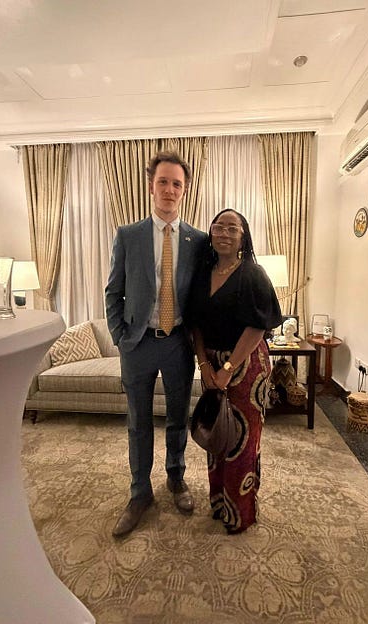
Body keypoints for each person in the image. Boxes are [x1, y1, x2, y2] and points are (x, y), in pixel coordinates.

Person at [105, 150, 207, 537]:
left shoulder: (197, 240)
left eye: (176, 183)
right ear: (151, 186)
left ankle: (176, 478)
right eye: (162, 181)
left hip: (178, 343)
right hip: (138, 344)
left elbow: (202, 295)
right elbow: (113, 292)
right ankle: (139, 493)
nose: (169, 189)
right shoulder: (128, 235)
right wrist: (120, 337)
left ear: (185, 190)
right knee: (138, 422)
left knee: (178, 417)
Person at [188, 209, 282, 534]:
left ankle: (240, 513)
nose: (225, 233)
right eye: (219, 227)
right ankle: (219, 502)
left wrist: (228, 369)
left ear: (243, 237)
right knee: (218, 433)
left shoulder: (253, 274)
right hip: (212, 365)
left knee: (243, 439)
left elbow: (257, 327)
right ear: (211, 233)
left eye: (233, 228)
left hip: (248, 366)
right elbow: (195, 324)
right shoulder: (202, 274)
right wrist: (204, 365)